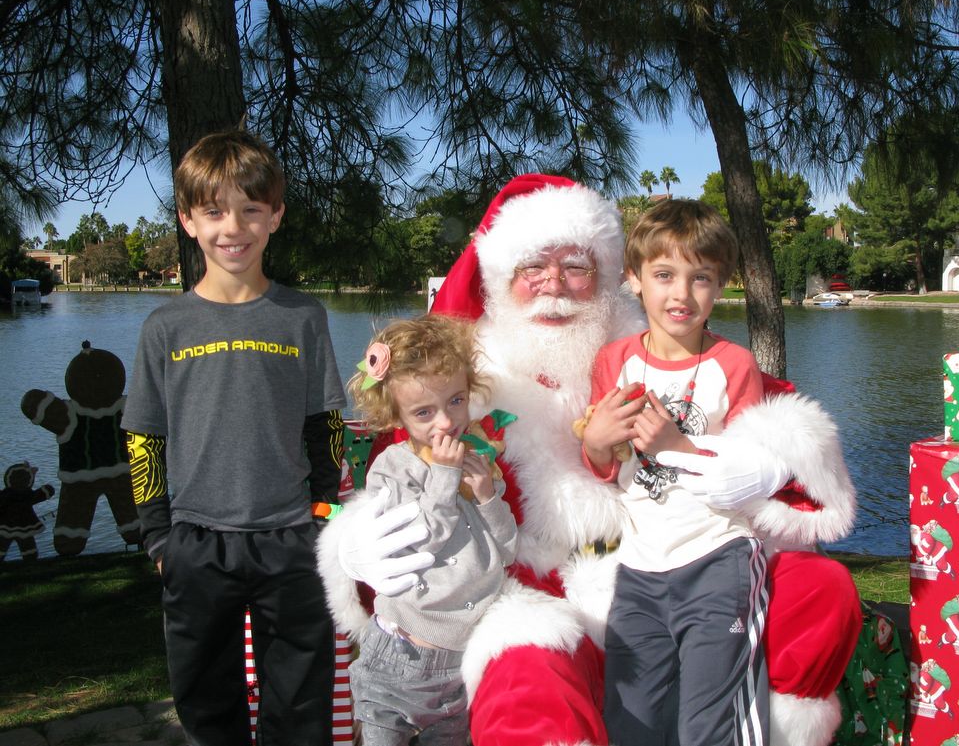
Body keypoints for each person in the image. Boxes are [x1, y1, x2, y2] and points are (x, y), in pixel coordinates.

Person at [318, 174, 861, 746]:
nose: (554, 285)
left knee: (818, 588)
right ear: (502, 280)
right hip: (529, 593)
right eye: (532, 268)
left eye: (576, 266)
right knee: (529, 684)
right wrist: (353, 546)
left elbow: (779, 417)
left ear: (607, 278)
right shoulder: (459, 382)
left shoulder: (649, 347)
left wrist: (770, 461)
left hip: (669, 561)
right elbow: (398, 465)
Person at [121, 129, 345, 746]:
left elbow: (324, 429)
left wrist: (322, 518)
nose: (233, 227)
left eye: (250, 208)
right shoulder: (165, 326)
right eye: (214, 210)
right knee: (207, 706)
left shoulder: (303, 316)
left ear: (275, 215)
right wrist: (160, 538)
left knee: (300, 710)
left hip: (290, 541)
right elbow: (144, 438)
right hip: (196, 545)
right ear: (188, 221)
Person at [581, 200, 778, 744]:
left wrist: (675, 445)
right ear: (633, 279)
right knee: (631, 719)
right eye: (663, 275)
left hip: (718, 557)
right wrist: (597, 443)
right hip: (639, 568)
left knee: (706, 725)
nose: (680, 294)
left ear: (721, 286)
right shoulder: (613, 361)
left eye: (701, 278)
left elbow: (753, 470)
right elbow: (603, 463)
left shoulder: (733, 365)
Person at [344, 314, 519, 745]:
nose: (446, 422)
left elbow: (508, 551)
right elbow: (423, 543)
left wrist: (486, 496)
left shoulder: (477, 459)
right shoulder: (392, 468)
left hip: (460, 662)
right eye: (424, 412)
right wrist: (443, 477)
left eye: (456, 401)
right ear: (395, 414)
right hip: (400, 654)